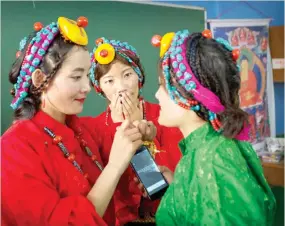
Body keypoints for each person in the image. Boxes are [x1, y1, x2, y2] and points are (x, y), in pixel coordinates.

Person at [1, 17, 155, 226]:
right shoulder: (14, 148)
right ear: (39, 80)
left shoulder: (82, 130)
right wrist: (115, 166)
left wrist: (142, 145)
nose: (87, 87)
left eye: (127, 75)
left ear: (140, 76)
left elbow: (152, 186)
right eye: (76, 77)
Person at [149, 29, 276, 225]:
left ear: (191, 95)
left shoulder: (213, 161)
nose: (157, 95)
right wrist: (177, 186)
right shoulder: (205, 148)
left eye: (163, 87)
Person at [82, 37, 183, 225]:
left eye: (127, 75)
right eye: (109, 80)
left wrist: (139, 128)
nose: (121, 88)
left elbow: (158, 185)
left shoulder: (165, 116)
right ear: (100, 88)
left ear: (139, 77)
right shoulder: (92, 130)